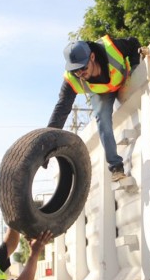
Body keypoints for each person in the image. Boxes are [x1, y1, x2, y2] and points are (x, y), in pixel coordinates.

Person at [48, 35, 142, 182]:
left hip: (124, 79)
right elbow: (62, 107)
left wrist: (135, 68)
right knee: (102, 119)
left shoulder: (112, 48)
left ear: (92, 57)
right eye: (75, 71)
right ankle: (116, 167)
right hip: (103, 93)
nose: (80, 74)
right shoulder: (71, 79)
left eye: (83, 68)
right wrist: (48, 143)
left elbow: (133, 43)